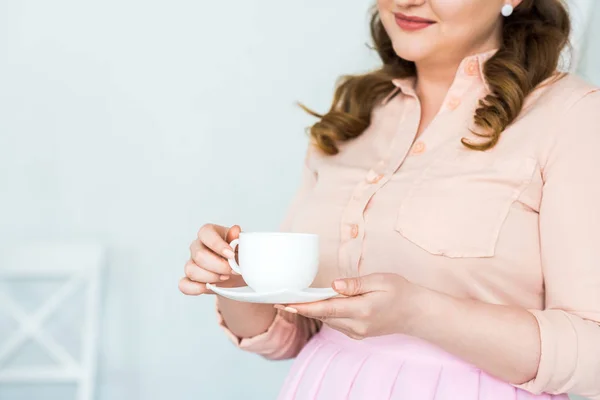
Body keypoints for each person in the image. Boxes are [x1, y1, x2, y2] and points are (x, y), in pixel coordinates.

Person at [179, 0, 600, 399]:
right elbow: (294, 334)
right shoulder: (355, 112)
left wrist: (419, 313)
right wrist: (233, 279)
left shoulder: (573, 117)